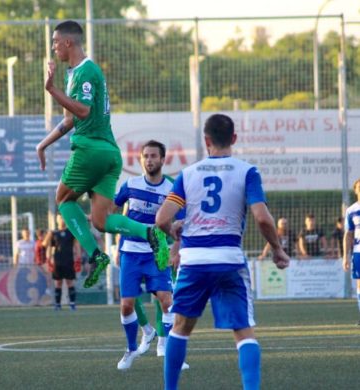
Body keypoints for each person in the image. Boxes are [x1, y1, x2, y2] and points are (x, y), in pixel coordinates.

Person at [155, 114, 290, 390]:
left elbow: (161, 219)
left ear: (206, 141)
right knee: (243, 332)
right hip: (228, 259)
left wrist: (174, 231)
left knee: (180, 328)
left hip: (193, 262)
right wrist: (277, 249)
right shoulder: (246, 172)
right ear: (234, 139)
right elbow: (263, 218)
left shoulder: (188, 174)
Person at [36, 20, 168, 289]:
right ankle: (150, 233)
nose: (53, 47)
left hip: (90, 150)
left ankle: (97, 256)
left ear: (68, 42)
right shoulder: (74, 73)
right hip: (109, 153)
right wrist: (43, 144)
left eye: (55, 42)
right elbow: (71, 120)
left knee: (62, 199)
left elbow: (82, 111)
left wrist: (51, 90)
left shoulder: (86, 71)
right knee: (101, 221)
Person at [112, 140, 188, 370]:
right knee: (126, 305)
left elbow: (180, 224)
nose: (149, 160)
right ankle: (131, 349)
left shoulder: (173, 188)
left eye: (154, 156)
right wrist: (117, 244)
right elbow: (114, 214)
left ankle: (168, 349)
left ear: (163, 160)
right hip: (131, 253)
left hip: (158, 253)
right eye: (145, 156)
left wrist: (176, 249)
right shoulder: (130, 184)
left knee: (167, 301)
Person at [43, 214, 80, 311]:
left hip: (69, 260)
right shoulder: (54, 233)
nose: (62, 220)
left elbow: (77, 245)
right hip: (57, 261)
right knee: (58, 283)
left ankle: (72, 304)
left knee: (70, 282)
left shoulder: (71, 232)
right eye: (60, 218)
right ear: (57, 220)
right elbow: (45, 245)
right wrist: (48, 235)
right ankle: (58, 305)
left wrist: (78, 258)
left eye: (63, 218)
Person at [343, 178, 360, 325]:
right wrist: (345, 256)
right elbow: (348, 234)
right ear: (355, 190)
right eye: (359, 187)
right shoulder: (351, 210)